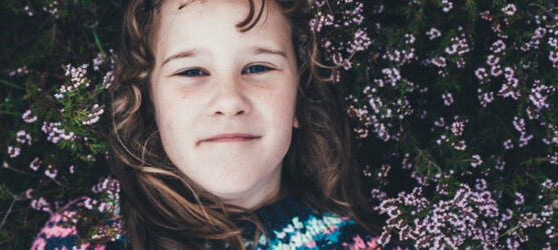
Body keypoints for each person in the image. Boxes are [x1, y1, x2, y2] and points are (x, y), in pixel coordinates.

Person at [33, 0, 408, 249]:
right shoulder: (77, 237)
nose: (229, 100)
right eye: (192, 71)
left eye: (258, 67)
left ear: (300, 96)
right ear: (149, 102)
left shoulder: (359, 244)